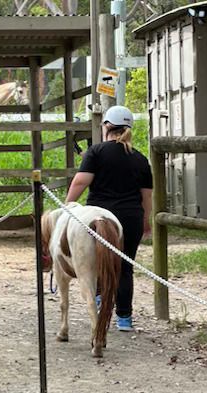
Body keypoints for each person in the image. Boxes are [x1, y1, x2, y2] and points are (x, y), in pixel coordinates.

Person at [66, 105, 153, 332]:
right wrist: (146, 221)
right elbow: (147, 197)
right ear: (129, 129)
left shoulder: (96, 152)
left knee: (96, 263)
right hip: (131, 218)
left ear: (106, 126)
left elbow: (80, 182)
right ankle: (124, 318)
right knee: (125, 267)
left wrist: (67, 206)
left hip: (98, 218)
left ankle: (98, 300)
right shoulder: (140, 160)